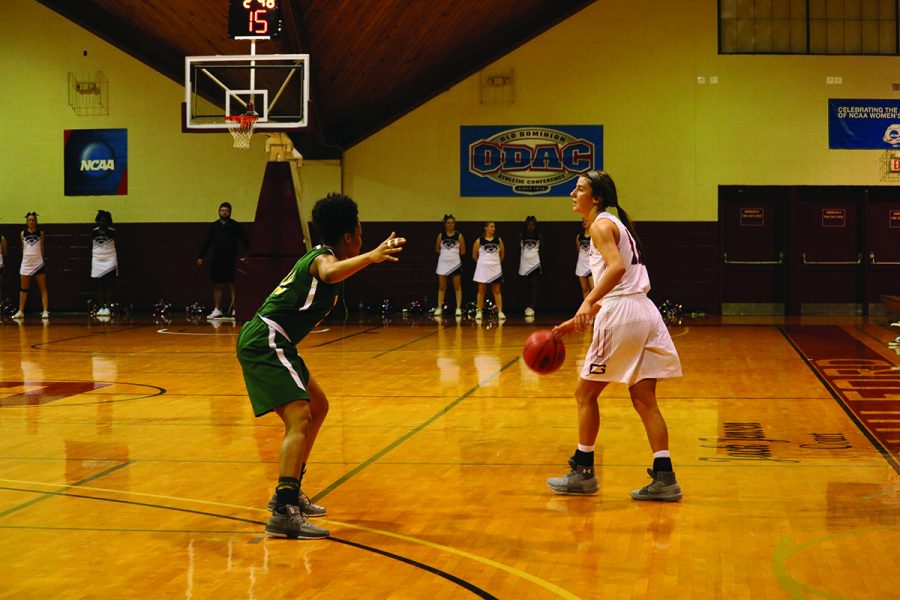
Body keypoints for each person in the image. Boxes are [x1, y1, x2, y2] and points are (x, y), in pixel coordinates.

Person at [236, 192, 406, 539]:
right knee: (299, 416)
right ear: (348, 237)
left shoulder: (323, 255)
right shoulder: (323, 258)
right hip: (265, 339)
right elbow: (329, 274)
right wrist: (372, 257)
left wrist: (368, 256)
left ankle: (291, 487)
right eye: (360, 232)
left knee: (319, 405)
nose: (362, 237)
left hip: (275, 340)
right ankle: (284, 508)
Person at [547, 170, 683, 502]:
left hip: (622, 314)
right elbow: (622, 281)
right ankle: (665, 478)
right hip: (645, 312)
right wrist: (576, 318)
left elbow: (617, 268)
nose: (572, 194)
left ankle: (583, 471)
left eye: (579, 189)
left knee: (584, 394)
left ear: (596, 198)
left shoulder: (600, 225)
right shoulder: (616, 223)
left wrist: (588, 300)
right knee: (644, 400)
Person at [197, 201, 249, 319]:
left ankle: (236, 309)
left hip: (232, 259)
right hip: (217, 260)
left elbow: (245, 240)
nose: (224, 212)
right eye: (222, 210)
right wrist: (201, 256)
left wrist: (250, 254)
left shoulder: (236, 225)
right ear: (219, 212)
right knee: (217, 285)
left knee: (233, 285)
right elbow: (207, 241)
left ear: (230, 212)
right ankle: (217, 309)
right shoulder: (214, 226)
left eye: (226, 210)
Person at [12, 212, 49, 320]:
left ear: (36, 221)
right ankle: (21, 311)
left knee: (42, 288)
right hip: (26, 263)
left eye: (33, 220)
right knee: (23, 289)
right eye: (29, 220)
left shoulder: (40, 233)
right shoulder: (22, 233)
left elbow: (42, 249)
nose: (31, 222)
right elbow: (23, 248)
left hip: (38, 263)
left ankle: (45, 311)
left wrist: (38, 259)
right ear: (27, 222)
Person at [472, 221, 505, 321]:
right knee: (481, 290)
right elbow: (474, 255)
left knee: (497, 290)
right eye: (491, 226)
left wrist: (494, 263)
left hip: (495, 268)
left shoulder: (498, 240)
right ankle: (479, 312)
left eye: (494, 227)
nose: (493, 228)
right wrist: (483, 263)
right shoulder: (479, 241)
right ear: (486, 228)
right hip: (482, 268)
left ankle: (500, 312)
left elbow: (502, 255)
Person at [434, 214, 465, 317]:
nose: (450, 225)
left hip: (455, 264)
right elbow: (437, 249)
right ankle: (439, 308)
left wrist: (453, 256)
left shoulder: (459, 235)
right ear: (445, 224)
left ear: (454, 224)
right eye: (448, 223)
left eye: (452, 223)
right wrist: (446, 256)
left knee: (457, 287)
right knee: (442, 287)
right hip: (443, 264)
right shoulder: (441, 235)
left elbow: (463, 251)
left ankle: (458, 308)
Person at [91, 210, 118, 316]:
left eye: (104, 220)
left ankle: (107, 307)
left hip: (110, 259)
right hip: (97, 260)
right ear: (97, 221)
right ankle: (101, 307)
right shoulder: (93, 232)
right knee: (99, 284)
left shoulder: (113, 232)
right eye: (100, 220)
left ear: (108, 221)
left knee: (109, 284)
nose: (102, 222)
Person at [518, 216, 542, 317]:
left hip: (535, 264)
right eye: (529, 224)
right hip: (524, 263)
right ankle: (526, 306)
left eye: (532, 224)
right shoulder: (522, 236)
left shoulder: (538, 236)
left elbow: (543, 250)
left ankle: (532, 307)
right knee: (525, 286)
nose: (531, 226)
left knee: (534, 285)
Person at [576, 217, 594, 298]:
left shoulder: (594, 236)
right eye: (583, 221)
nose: (584, 222)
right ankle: (587, 310)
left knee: (594, 290)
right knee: (585, 291)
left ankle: (596, 310)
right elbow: (578, 250)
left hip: (591, 266)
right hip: (581, 266)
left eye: (586, 220)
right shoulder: (579, 236)